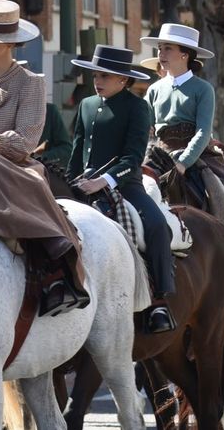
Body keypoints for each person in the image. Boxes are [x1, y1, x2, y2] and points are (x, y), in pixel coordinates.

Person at [0, 0, 87, 316]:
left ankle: (51, 262)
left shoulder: (31, 84)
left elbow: (26, 142)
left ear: (11, 44)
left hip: (13, 167)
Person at [142, 22, 224, 304]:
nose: (161, 53)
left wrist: (184, 162)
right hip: (158, 154)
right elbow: (148, 130)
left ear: (185, 54)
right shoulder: (154, 90)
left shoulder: (203, 89)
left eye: (167, 48)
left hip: (197, 154)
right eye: (160, 48)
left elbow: (203, 132)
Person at [67, 46, 176, 334]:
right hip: (82, 184)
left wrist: (103, 182)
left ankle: (159, 301)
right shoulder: (87, 105)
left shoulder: (138, 107)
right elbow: (77, 151)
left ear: (122, 80)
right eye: (95, 75)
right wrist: (69, 182)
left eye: (104, 76)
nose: (97, 81)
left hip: (125, 185)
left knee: (156, 226)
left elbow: (133, 157)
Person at [36, 101, 74, 172]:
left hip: (42, 175)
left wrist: (40, 159)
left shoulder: (49, 111)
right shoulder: (9, 114)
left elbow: (66, 150)